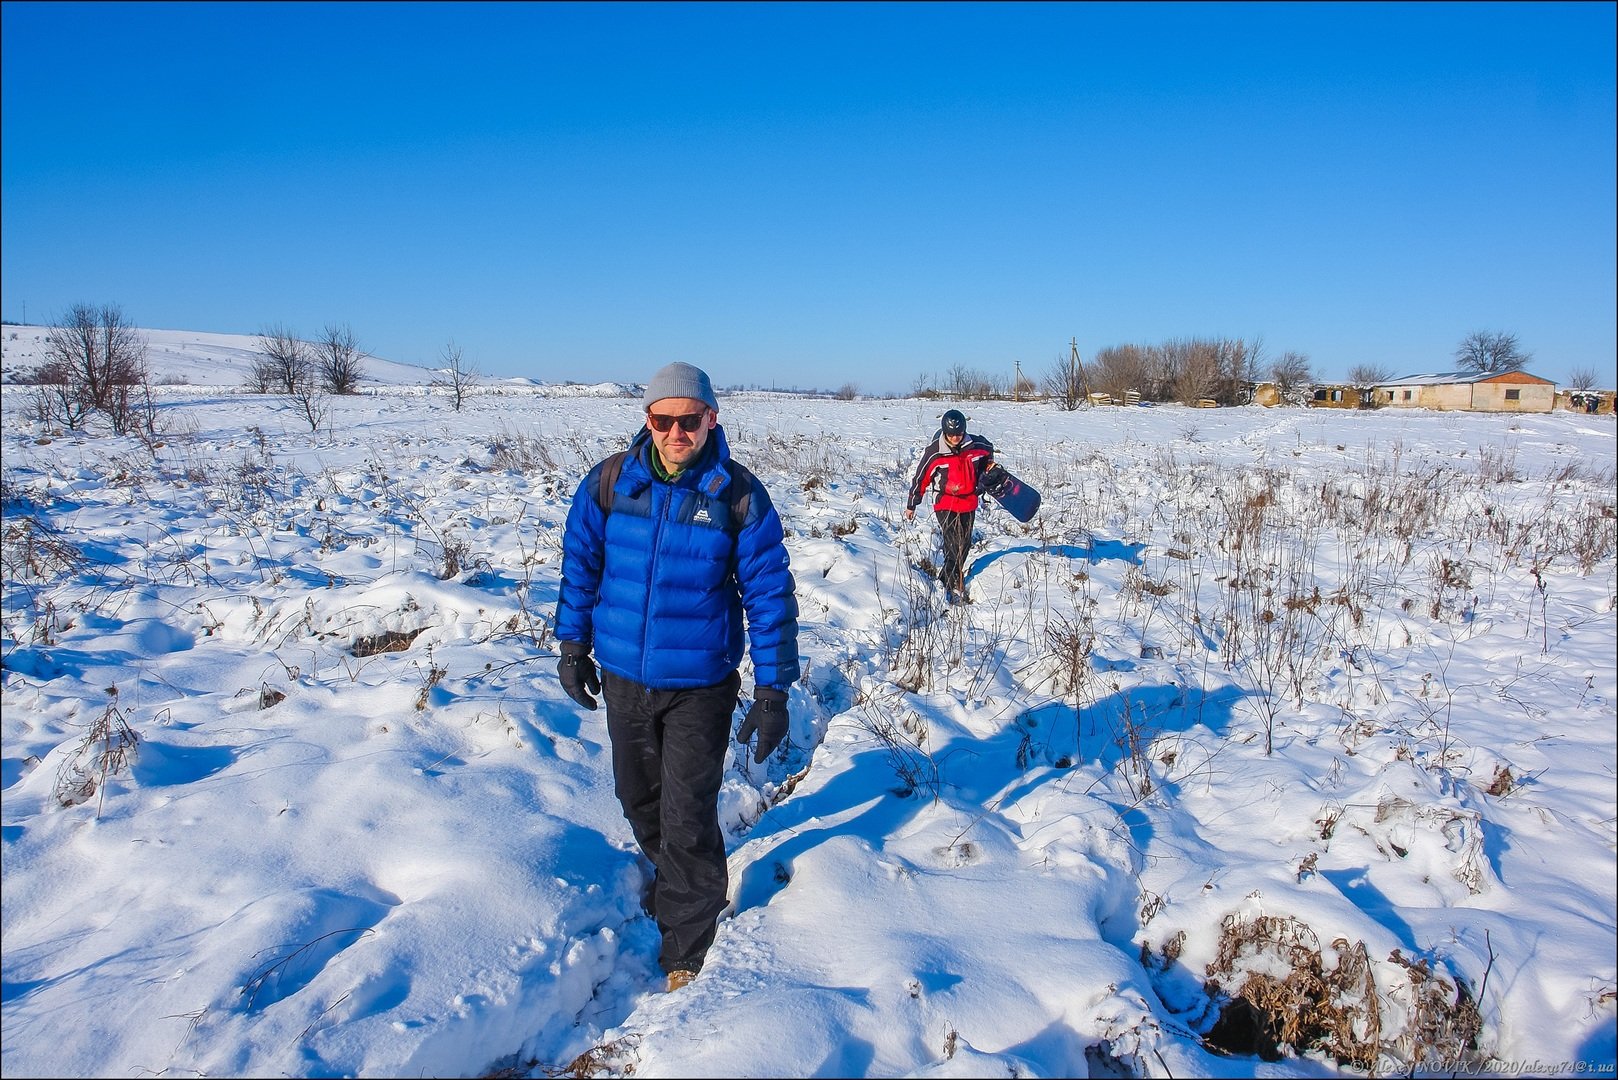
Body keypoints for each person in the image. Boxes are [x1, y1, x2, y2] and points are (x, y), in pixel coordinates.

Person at [554, 361, 800, 993]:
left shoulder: (737, 494)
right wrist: (573, 645)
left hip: (701, 684)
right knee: (639, 799)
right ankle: (682, 880)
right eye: (662, 420)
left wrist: (772, 690)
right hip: (625, 679)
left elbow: (769, 592)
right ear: (648, 421)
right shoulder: (612, 482)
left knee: (687, 814)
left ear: (710, 419)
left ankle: (686, 944)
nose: (674, 433)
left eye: (687, 420)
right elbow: (581, 563)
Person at [904, 408, 994, 604]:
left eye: (959, 434)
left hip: (969, 501)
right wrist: (912, 504)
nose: (955, 438)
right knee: (953, 543)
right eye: (951, 434)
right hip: (945, 502)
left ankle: (953, 574)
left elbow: (989, 450)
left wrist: (985, 471)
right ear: (945, 432)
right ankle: (947, 582)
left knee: (966, 543)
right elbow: (921, 478)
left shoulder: (976, 445)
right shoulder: (935, 452)